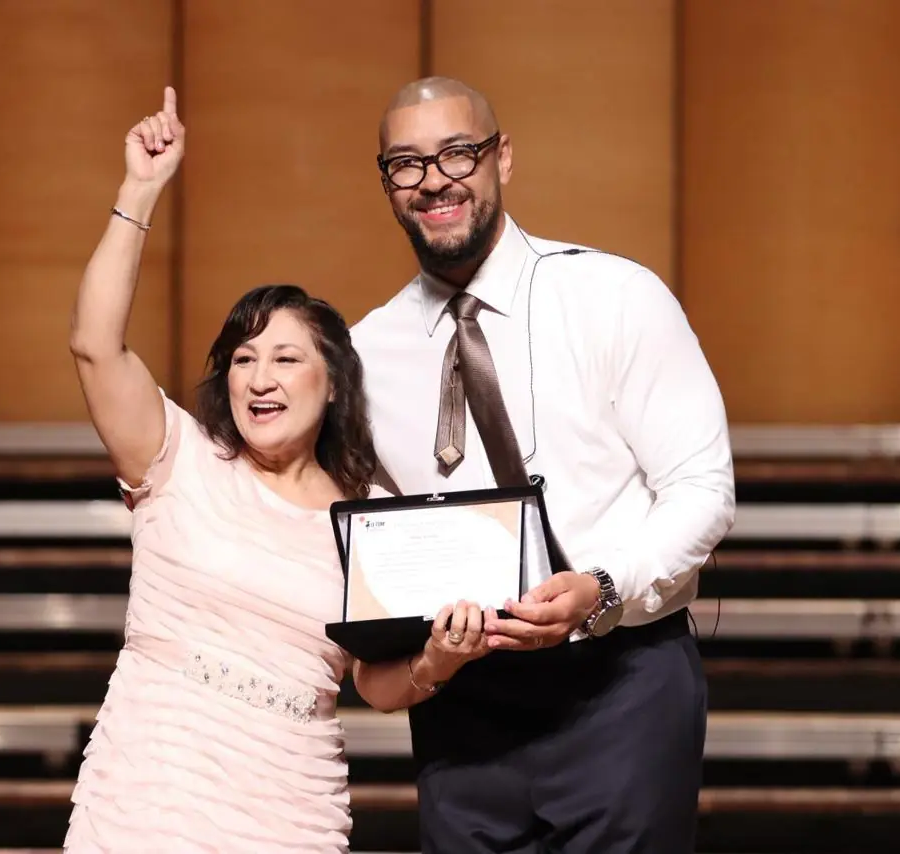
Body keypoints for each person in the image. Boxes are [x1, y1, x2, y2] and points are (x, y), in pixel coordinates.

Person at [63, 84, 493, 854]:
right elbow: (95, 345)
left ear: (333, 386)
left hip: (289, 804)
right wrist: (140, 189)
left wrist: (438, 660)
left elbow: (376, 682)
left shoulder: (370, 513)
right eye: (243, 359)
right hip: (149, 790)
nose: (260, 378)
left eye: (286, 359)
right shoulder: (178, 458)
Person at [349, 77, 737, 854]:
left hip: (620, 676)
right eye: (406, 163)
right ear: (388, 184)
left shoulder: (614, 297)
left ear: (502, 158)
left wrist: (602, 587)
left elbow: (702, 489)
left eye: (457, 153)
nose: (434, 181)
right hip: (463, 701)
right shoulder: (366, 354)